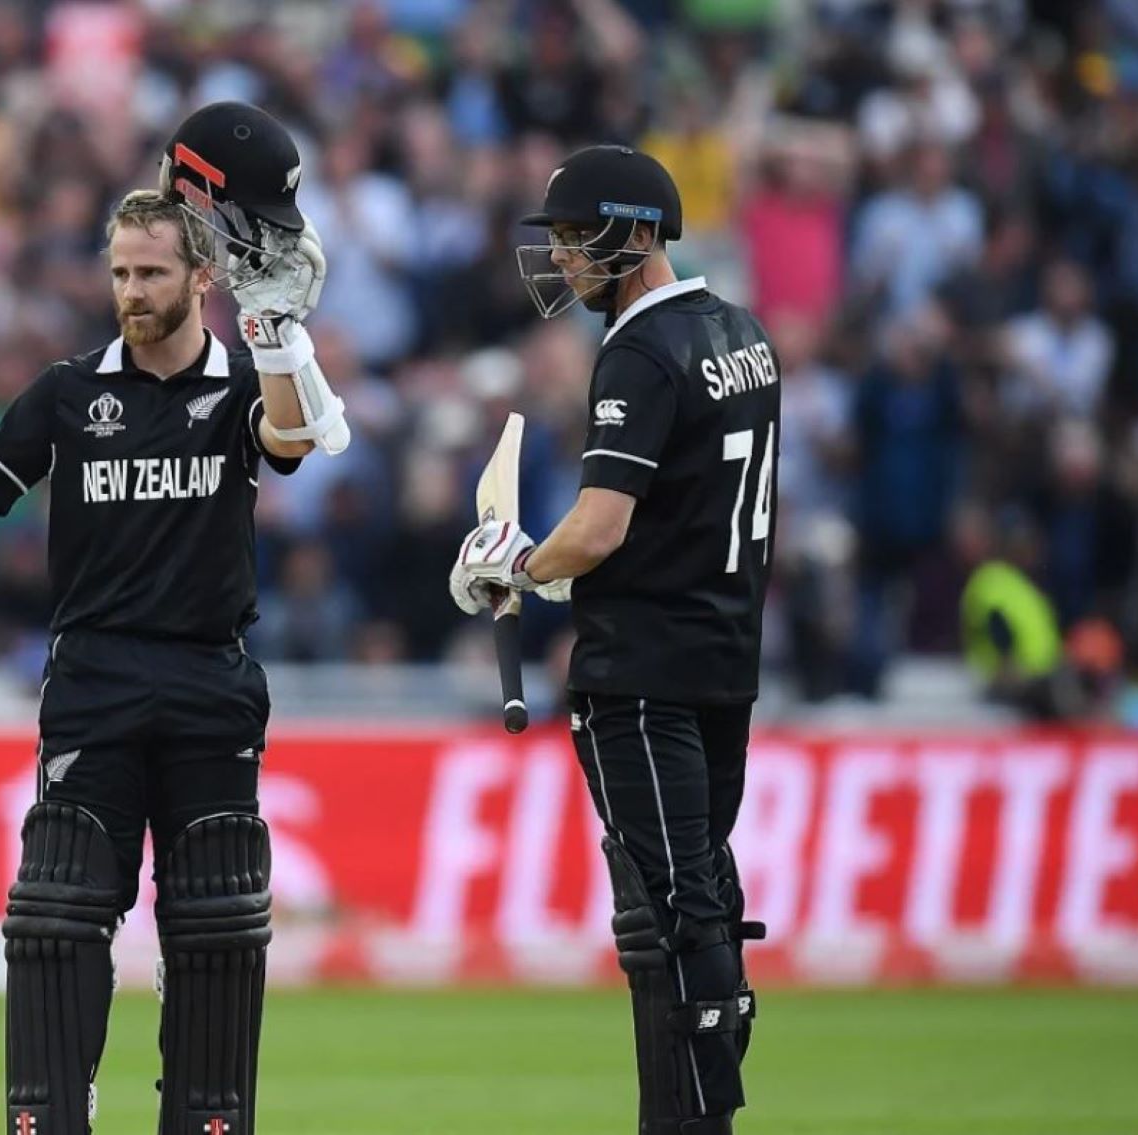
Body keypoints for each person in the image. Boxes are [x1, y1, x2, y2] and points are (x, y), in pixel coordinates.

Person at [0, 103, 344, 1135]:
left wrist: (278, 329)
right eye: (121, 274)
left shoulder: (241, 387)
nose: (133, 294)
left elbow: (294, 435)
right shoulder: (67, 392)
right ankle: (51, 1119)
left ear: (202, 278)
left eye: (154, 274)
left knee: (216, 927)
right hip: (91, 681)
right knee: (53, 921)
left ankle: (209, 1119)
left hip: (207, 680)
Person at [451, 144, 778, 1134]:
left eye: (575, 236)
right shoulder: (742, 331)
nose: (563, 258)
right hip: (726, 656)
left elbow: (600, 526)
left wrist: (514, 564)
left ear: (637, 235)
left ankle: (694, 1117)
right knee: (704, 894)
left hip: (642, 668)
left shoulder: (640, 349)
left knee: (669, 911)